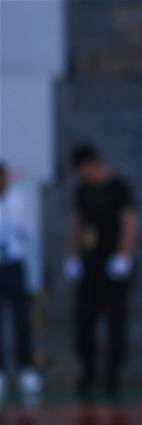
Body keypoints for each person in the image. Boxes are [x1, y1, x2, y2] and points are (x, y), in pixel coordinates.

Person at [66, 144, 137, 398]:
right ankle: (88, 372)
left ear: (91, 165)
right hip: (90, 264)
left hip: (113, 264)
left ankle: (112, 375)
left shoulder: (118, 187)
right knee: (84, 318)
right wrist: (73, 257)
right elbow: (77, 222)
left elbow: (128, 221)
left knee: (116, 321)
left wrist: (124, 256)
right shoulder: (82, 190)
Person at [0, 162, 42, 398]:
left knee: (21, 318)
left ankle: (26, 368)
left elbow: (27, 230)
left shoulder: (18, 199)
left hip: (15, 264)